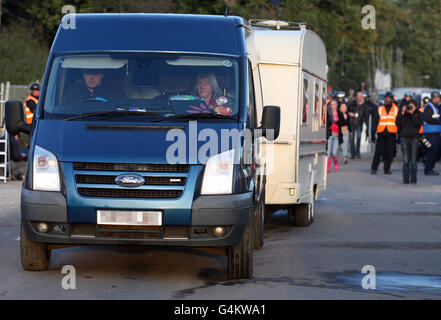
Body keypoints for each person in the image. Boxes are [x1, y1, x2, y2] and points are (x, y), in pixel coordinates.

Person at [371, 91, 399, 175]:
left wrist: (399, 135)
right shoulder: (380, 109)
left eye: (388, 98)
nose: (386, 100)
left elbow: (399, 122)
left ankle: (387, 169)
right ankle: (374, 168)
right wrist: (372, 133)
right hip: (381, 133)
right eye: (385, 98)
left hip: (391, 134)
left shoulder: (396, 109)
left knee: (389, 152)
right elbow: (375, 122)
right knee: (378, 152)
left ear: (392, 100)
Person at [396, 99, 423, 183]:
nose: (410, 107)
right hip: (404, 138)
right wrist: (402, 113)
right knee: (406, 161)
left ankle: (414, 179)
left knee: (414, 161)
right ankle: (406, 179)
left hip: (414, 139)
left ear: (416, 106)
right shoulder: (404, 114)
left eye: (412, 106)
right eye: (409, 105)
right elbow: (397, 123)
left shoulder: (419, 114)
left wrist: (412, 114)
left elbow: (418, 124)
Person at [422, 91, 441, 176]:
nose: (439, 99)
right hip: (430, 133)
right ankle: (428, 169)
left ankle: (430, 168)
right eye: (438, 98)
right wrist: (438, 121)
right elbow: (427, 118)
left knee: (436, 151)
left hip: (436, 132)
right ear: (435, 98)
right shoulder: (429, 106)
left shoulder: (436, 106)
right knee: (432, 151)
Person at [348, 91, 369, 159]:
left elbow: (366, 116)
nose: (359, 98)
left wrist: (367, 125)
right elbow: (347, 110)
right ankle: (352, 153)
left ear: (362, 97)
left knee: (358, 138)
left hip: (359, 123)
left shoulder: (364, 105)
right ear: (356, 97)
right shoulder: (352, 103)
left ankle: (357, 152)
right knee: (351, 139)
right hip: (352, 123)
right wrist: (350, 113)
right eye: (358, 96)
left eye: (360, 96)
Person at [326, 100, 343, 172]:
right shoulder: (328, 113)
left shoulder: (339, 113)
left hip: (336, 135)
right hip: (330, 134)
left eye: (335, 104)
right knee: (328, 152)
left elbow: (343, 123)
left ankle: (336, 164)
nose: (333, 106)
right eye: (332, 104)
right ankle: (328, 167)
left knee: (334, 153)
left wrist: (337, 121)